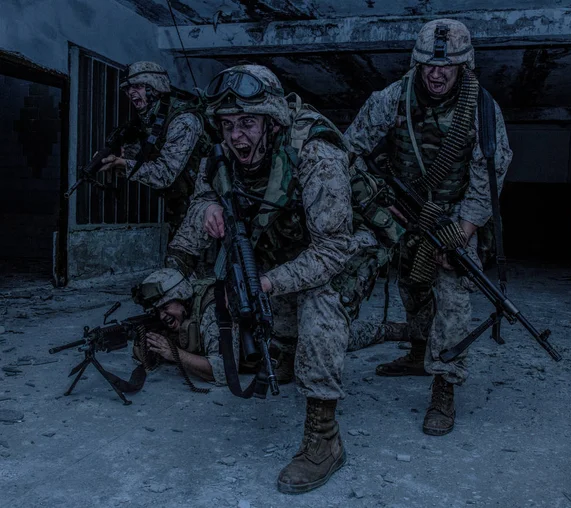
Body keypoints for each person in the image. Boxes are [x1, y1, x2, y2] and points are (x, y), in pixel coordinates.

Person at [169, 64, 404, 493]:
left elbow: (331, 251)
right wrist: (208, 208)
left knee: (319, 303)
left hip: (349, 247)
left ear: (272, 119)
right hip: (295, 244)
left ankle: (324, 437)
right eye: (226, 123)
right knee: (260, 306)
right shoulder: (224, 150)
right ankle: (293, 352)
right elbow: (207, 186)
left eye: (247, 122)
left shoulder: (317, 153)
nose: (236, 135)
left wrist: (271, 283)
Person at [344, 19, 513, 436]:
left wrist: (464, 229)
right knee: (410, 284)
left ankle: (444, 384)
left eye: (448, 66)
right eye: (428, 65)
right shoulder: (392, 99)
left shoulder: (483, 110)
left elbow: (491, 173)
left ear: (464, 65)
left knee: (453, 292)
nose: (436, 73)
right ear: (416, 63)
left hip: (454, 217)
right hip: (401, 209)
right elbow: (349, 149)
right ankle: (418, 352)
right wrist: (374, 202)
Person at [133, 268, 408, 387]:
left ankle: (400, 330)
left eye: (165, 306)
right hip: (273, 338)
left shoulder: (211, 314)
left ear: (181, 295)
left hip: (286, 340)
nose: (162, 315)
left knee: (348, 335)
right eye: (156, 311)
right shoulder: (185, 312)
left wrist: (174, 354)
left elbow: (220, 372)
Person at [98, 61, 212, 245]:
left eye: (138, 86)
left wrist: (124, 164)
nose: (131, 93)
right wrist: (120, 159)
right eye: (128, 89)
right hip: (181, 200)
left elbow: (165, 173)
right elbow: (144, 159)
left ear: (156, 87)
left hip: (205, 203)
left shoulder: (184, 121)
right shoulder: (150, 119)